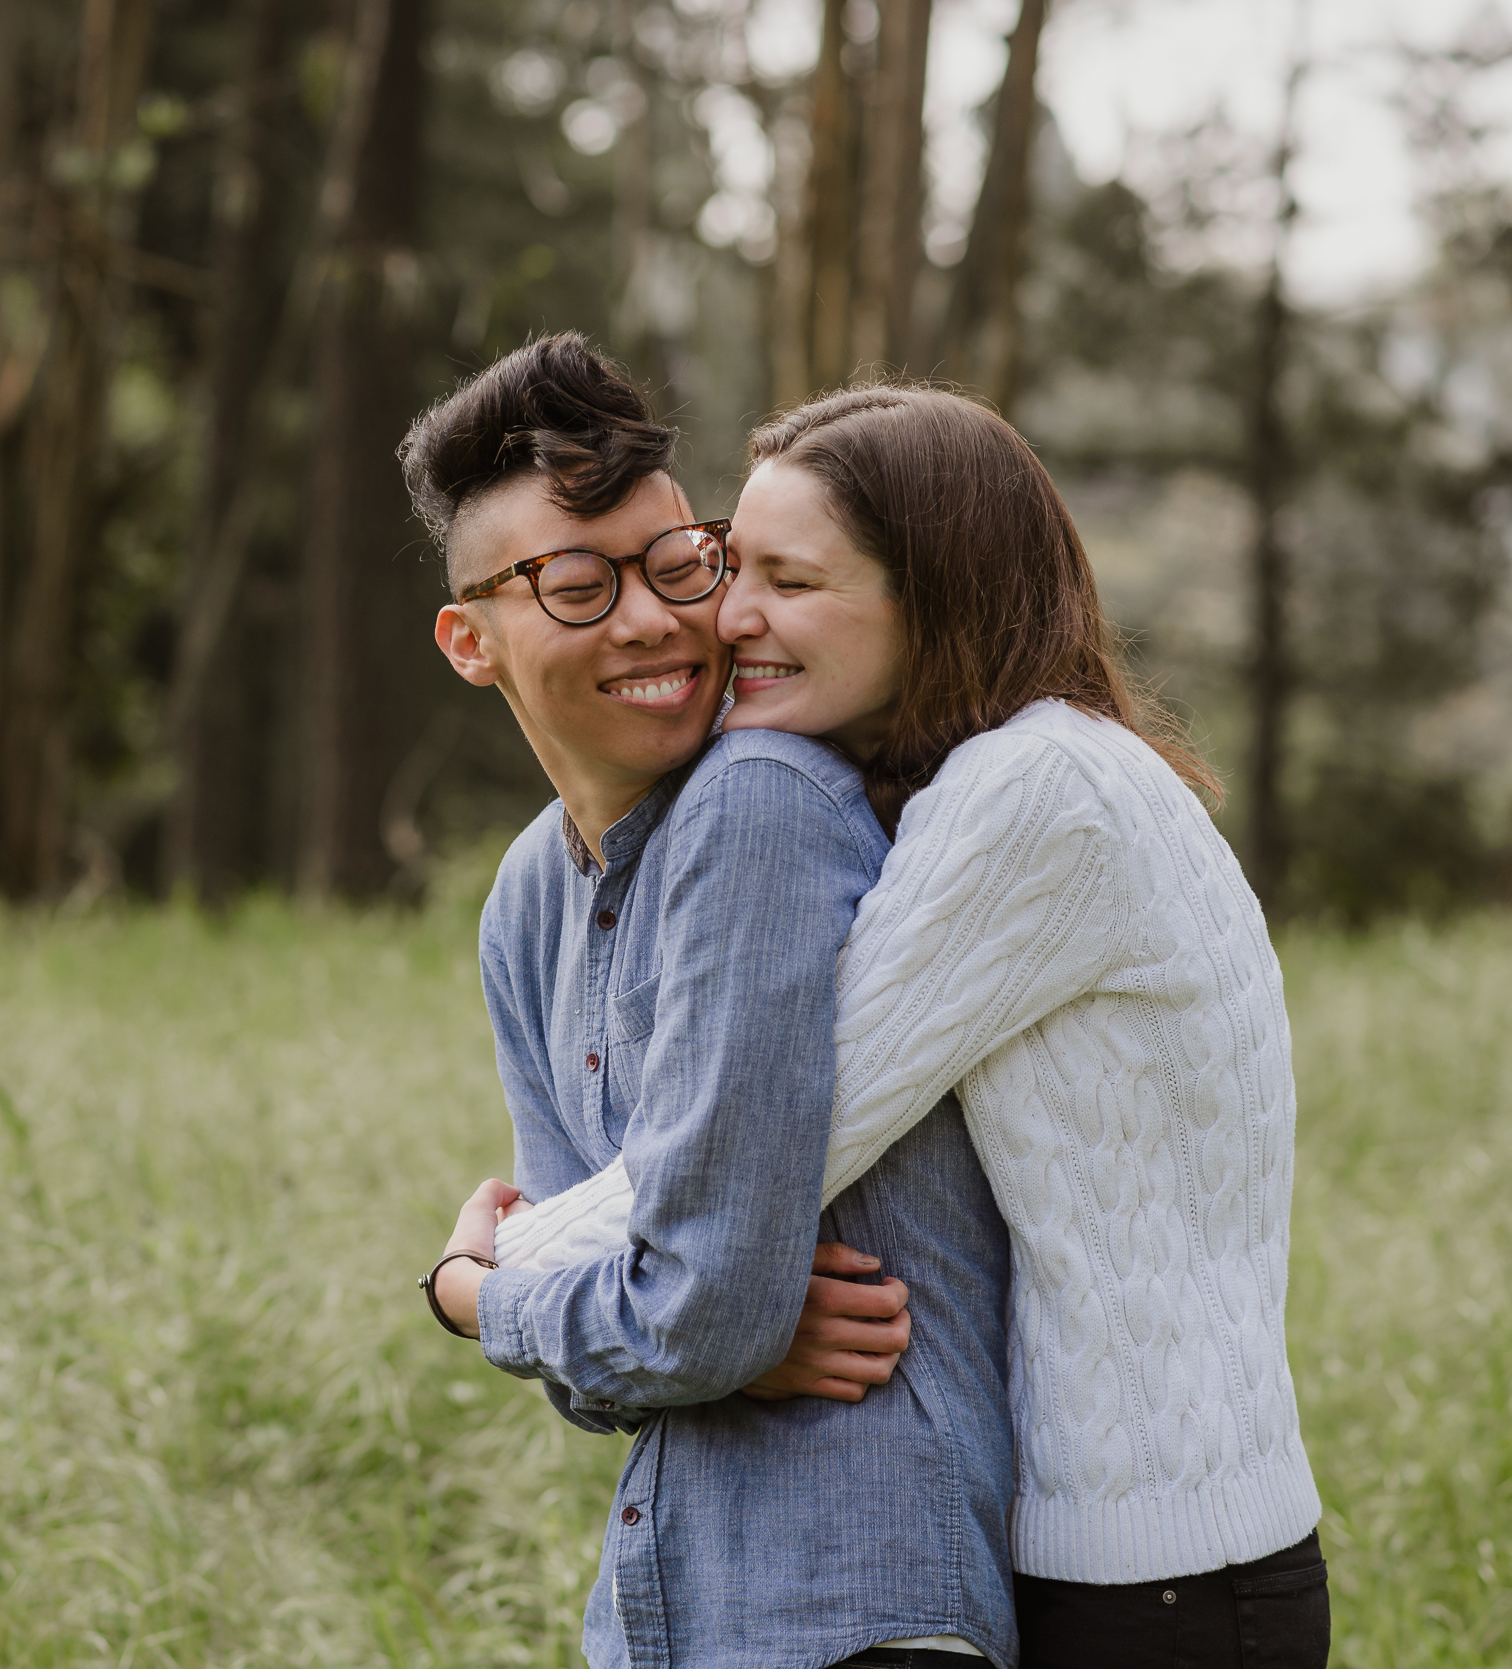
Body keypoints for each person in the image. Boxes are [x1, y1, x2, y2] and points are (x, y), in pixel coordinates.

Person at [487, 385, 1332, 1668]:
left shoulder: (1037, 796)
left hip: (1160, 1579)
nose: (731, 617)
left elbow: (760, 1144)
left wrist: (485, 1275)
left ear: (931, 597)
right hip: (1121, 1553)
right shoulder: (1012, 776)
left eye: (792, 579)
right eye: (735, 567)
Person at [408, 336, 1021, 1669]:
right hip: (669, 1608)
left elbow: (671, 1310)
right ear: (471, 640)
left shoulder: (763, 805)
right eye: (577, 584)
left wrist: (469, 1296)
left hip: (859, 1604)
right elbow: (619, 1328)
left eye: (683, 562)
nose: (660, 621)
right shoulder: (527, 898)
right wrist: (685, 1328)